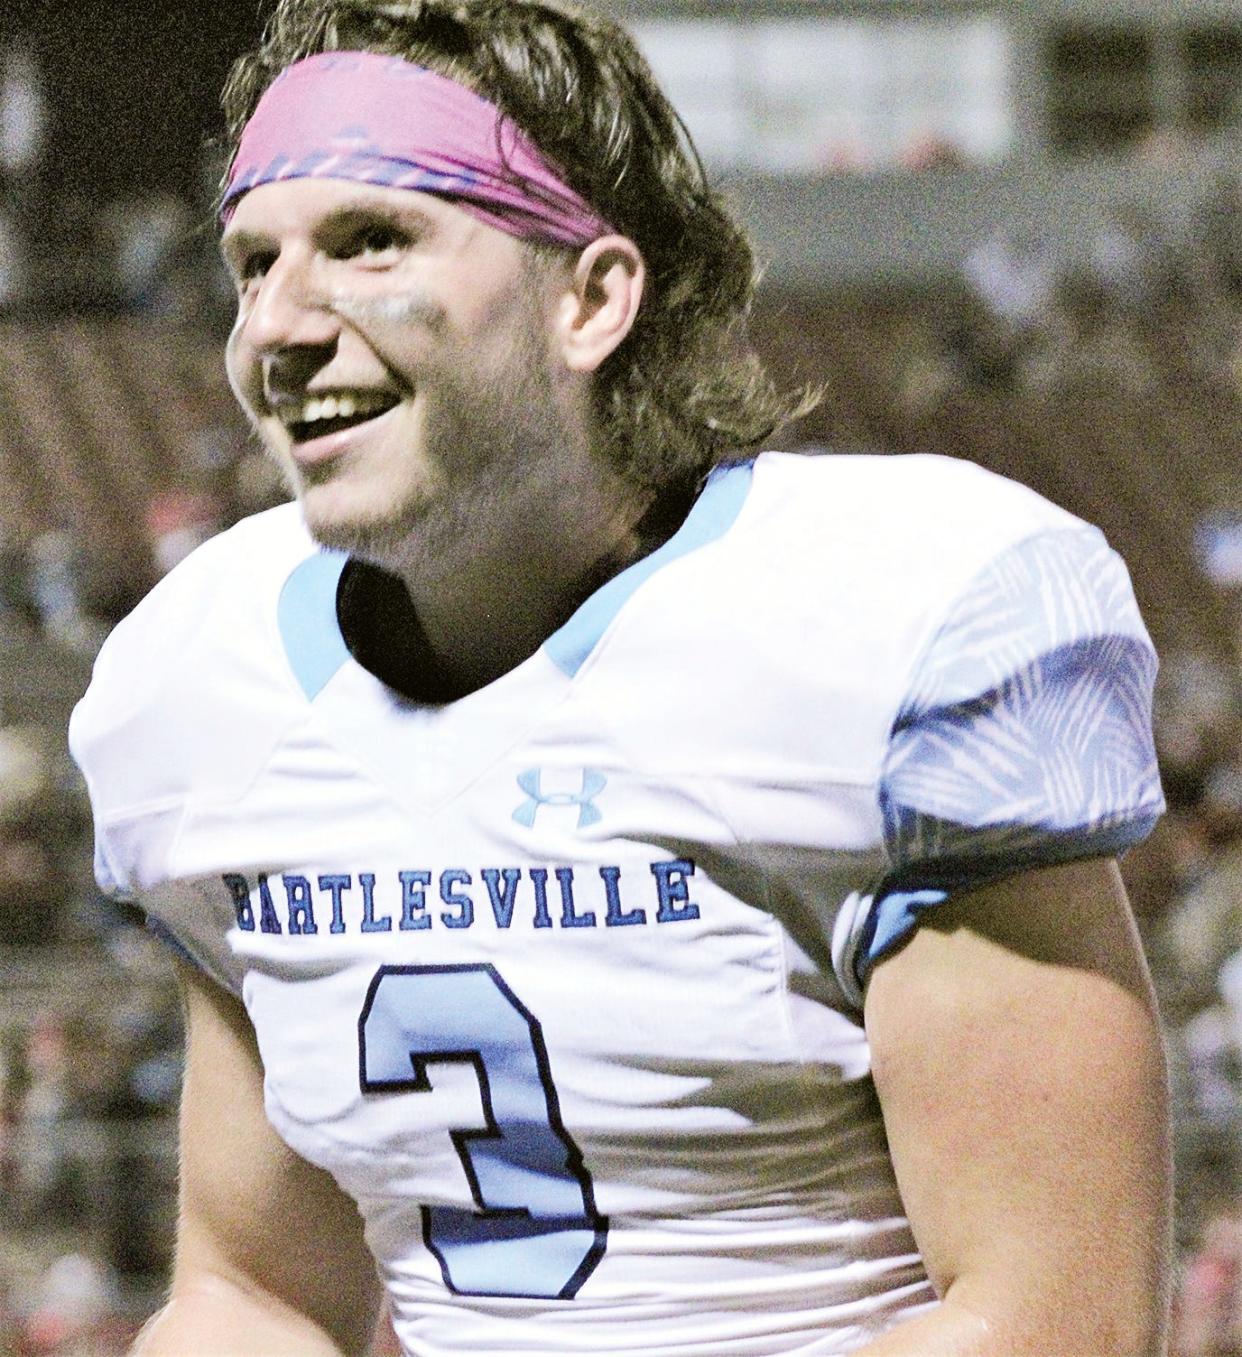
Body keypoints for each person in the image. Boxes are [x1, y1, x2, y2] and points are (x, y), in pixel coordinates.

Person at [69, 1, 1172, 1353]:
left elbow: (1052, 1321)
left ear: (588, 298)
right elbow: (251, 1293)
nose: (278, 326)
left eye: (370, 242)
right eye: (251, 263)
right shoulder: (201, 680)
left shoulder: (884, 621)